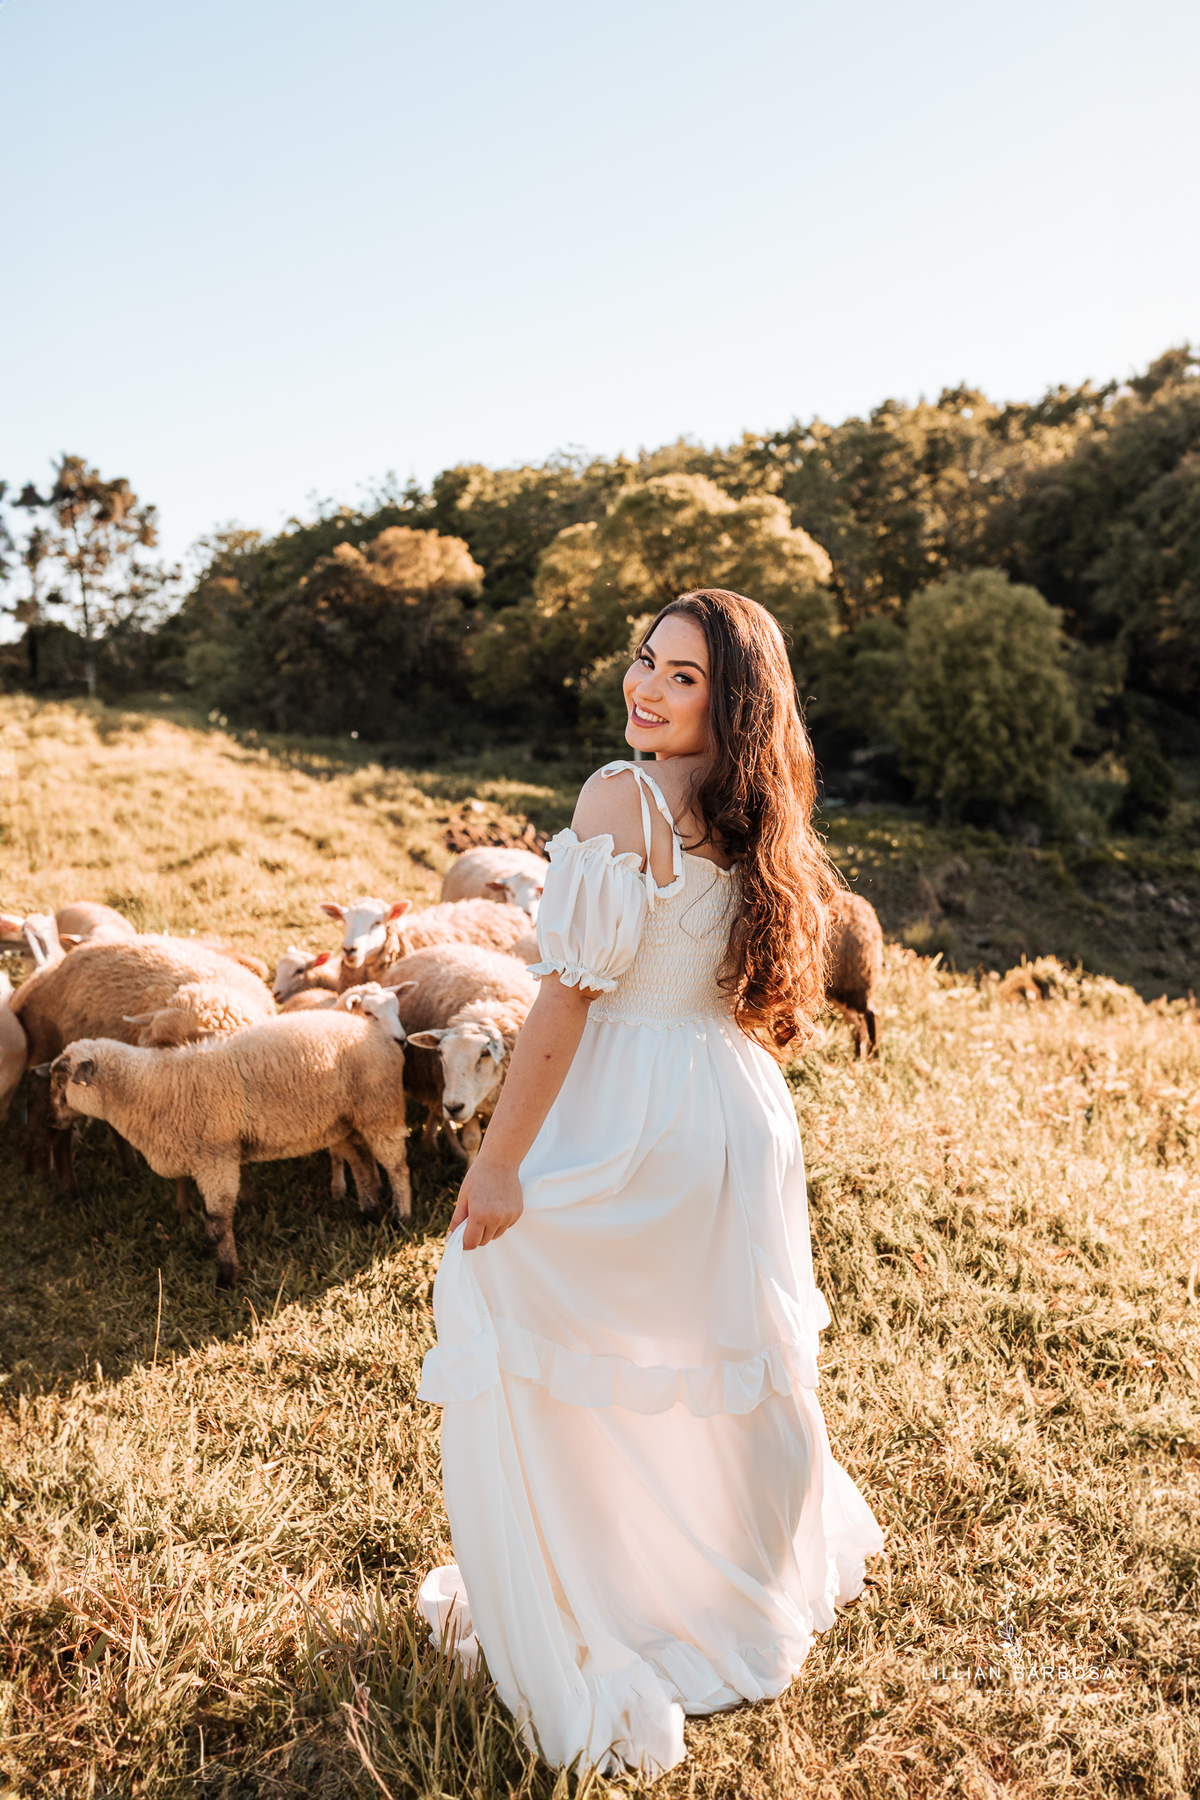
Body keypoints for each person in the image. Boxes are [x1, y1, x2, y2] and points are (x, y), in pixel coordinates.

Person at [416, 588, 885, 1778]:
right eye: (645, 660)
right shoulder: (759, 808)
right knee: (722, 1351)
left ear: (732, 701)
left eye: (683, 676)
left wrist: (499, 1163)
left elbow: (568, 996)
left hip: (634, 1106)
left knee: (510, 1293)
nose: (647, 687)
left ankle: (600, 1587)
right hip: (733, 1108)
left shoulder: (618, 799)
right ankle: (724, 1579)